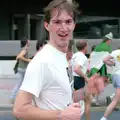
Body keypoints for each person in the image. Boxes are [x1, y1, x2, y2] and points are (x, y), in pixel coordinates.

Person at [13, 0, 81, 120]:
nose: (63, 28)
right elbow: (19, 109)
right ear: (47, 25)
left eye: (68, 21)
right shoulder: (42, 62)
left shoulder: (61, 57)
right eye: (57, 22)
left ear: (74, 25)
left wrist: (88, 90)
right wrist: (61, 115)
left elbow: (59, 97)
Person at [100, 46, 120, 120]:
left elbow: (104, 60)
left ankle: (112, 97)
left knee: (117, 96)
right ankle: (104, 118)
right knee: (116, 100)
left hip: (115, 75)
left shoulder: (115, 52)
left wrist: (111, 64)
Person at [10, 36, 31, 103]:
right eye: (28, 40)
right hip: (23, 69)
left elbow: (17, 57)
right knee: (22, 84)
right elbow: (19, 57)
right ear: (26, 42)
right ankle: (14, 98)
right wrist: (28, 60)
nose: (29, 41)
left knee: (21, 84)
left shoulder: (23, 49)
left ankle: (15, 98)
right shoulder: (25, 49)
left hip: (21, 69)